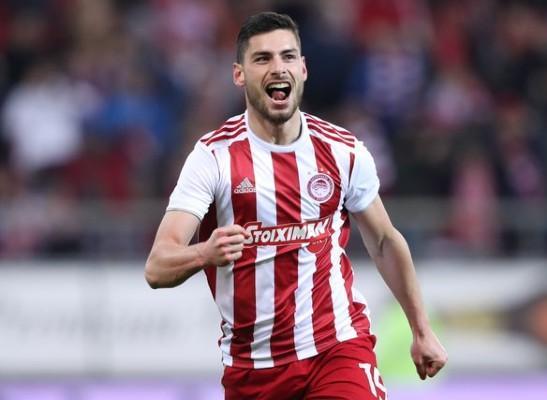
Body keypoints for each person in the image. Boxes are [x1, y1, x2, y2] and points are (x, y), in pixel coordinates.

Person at [145, 11, 447, 400]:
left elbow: (385, 241)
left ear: (302, 69)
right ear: (239, 75)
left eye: (287, 56)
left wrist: (421, 330)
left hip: (336, 348)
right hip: (253, 369)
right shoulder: (213, 157)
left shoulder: (342, 150)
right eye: (262, 58)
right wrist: (205, 252)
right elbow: (157, 266)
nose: (278, 67)